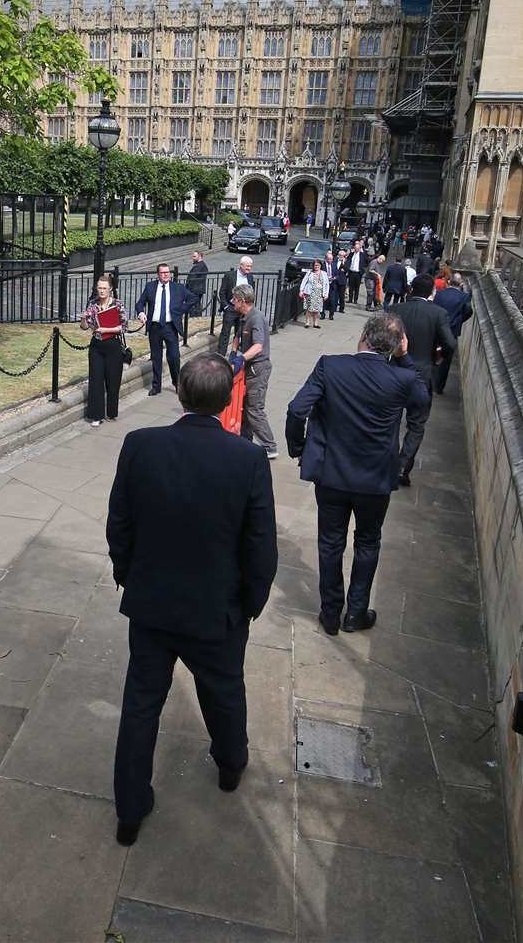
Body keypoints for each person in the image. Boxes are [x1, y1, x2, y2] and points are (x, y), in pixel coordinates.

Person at [107, 352, 277, 846]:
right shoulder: (246, 459)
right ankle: (230, 764)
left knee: (141, 704)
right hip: (217, 608)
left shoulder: (140, 445)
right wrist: (251, 602)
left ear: (180, 393)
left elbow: (120, 524)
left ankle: (130, 809)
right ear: (228, 401)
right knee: (224, 692)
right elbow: (260, 545)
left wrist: (129, 576)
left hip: (153, 604)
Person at [285, 314, 429, 634]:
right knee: (367, 542)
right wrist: (404, 357)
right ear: (395, 346)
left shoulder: (330, 366)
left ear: (363, 335)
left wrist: (299, 448)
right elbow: (422, 399)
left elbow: (297, 410)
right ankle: (357, 612)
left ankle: (331, 612)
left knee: (330, 543)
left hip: (332, 475)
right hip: (375, 479)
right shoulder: (402, 379)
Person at [395, 275, 458, 486]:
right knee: (416, 424)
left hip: (394, 373)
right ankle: (402, 467)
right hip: (421, 376)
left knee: (391, 419)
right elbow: (449, 344)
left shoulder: (397, 310)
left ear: (411, 290)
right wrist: (438, 357)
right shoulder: (438, 313)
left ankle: (384, 461)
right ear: (432, 292)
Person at [229, 284, 277, 460]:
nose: (232, 301)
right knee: (245, 408)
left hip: (258, 369)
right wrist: (233, 353)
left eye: (234, 299)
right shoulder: (244, 317)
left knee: (254, 409)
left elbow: (258, 346)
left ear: (242, 301)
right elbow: (238, 337)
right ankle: (245, 440)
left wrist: (241, 359)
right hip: (250, 368)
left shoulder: (256, 319)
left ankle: (269, 446)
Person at [135, 263, 196, 396]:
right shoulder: (150, 287)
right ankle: (156, 386)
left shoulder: (178, 288)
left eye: (168, 272)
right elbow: (140, 303)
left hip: (170, 326)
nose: (166, 274)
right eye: (163, 273)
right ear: (158, 274)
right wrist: (141, 313)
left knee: (174, 357)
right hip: (154, 327)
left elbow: (193, 298)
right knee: (156, 358)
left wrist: (180, 310)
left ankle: (177, 383)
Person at [79, 276, 127, 427]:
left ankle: (111, 412)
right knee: (96, 380)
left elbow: (124, 326)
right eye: (99, 288)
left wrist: (107, 329)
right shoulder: (92, 304)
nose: (101, 291)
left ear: (110, 289)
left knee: (113, 381)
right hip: (97, 346)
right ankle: (96, 415)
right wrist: (84, 319)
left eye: (104, 288)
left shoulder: (117, 304)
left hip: (113, 345)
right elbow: (85, 327)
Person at [432, 274, 474, 395]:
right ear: (461, 284)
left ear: (449, 282)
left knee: (433, 353)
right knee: (445, 359)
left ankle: (430, 381)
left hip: (437, 328)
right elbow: (468, 311)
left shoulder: (439, 294)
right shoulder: (464, 297)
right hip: (452, 330)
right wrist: (459, 321)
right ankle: (439, 386)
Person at [216, 256, 255, 353]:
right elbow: (222, 292)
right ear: (241, 265)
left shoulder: (250, 277)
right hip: (231, 308)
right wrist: (226, 306)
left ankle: (236, 355)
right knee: (225, 333)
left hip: (243, 311)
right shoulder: (230, 276)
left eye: (250, 266)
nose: (249, 269)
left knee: (240, 334)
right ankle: (221, 356)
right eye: (247, 266)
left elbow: (251, 294)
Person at [298, 259, 327, 330]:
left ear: (320, 266)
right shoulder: (309, 273)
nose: (316, 266)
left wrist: (326, 294)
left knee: (317, 310)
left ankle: (315, 323)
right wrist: (301, 291)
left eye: (318, 265)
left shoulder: (324, 273)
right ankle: (307, 323)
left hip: (319, 293)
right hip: (309, 293)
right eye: (315, 265)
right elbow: (304, 282)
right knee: (309, 309)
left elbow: (326, 285)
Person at [325, 252, 346, 322]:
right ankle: (322, 314)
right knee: (323, 299)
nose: (330, 261)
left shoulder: (334, 265)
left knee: (332, 300)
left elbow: (337, 275)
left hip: (333, 285)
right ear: (326, 259)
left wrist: (334, 278)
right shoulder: (323, 265)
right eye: (329, 259)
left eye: (331, 259)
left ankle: (331, 314)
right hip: (325, 284)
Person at [345, 241, 365, 306]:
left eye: (357, 248)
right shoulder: (351, 254)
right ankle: (350, 299)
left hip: (358, 273)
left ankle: (355, 300)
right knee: (351, 287)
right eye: (355, 248)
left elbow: (366, 262)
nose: (356, 249)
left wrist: (362, 270)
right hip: (351, 272)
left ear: (359, 248)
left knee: (357, 287)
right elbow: (347, 261)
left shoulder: (362, 255)